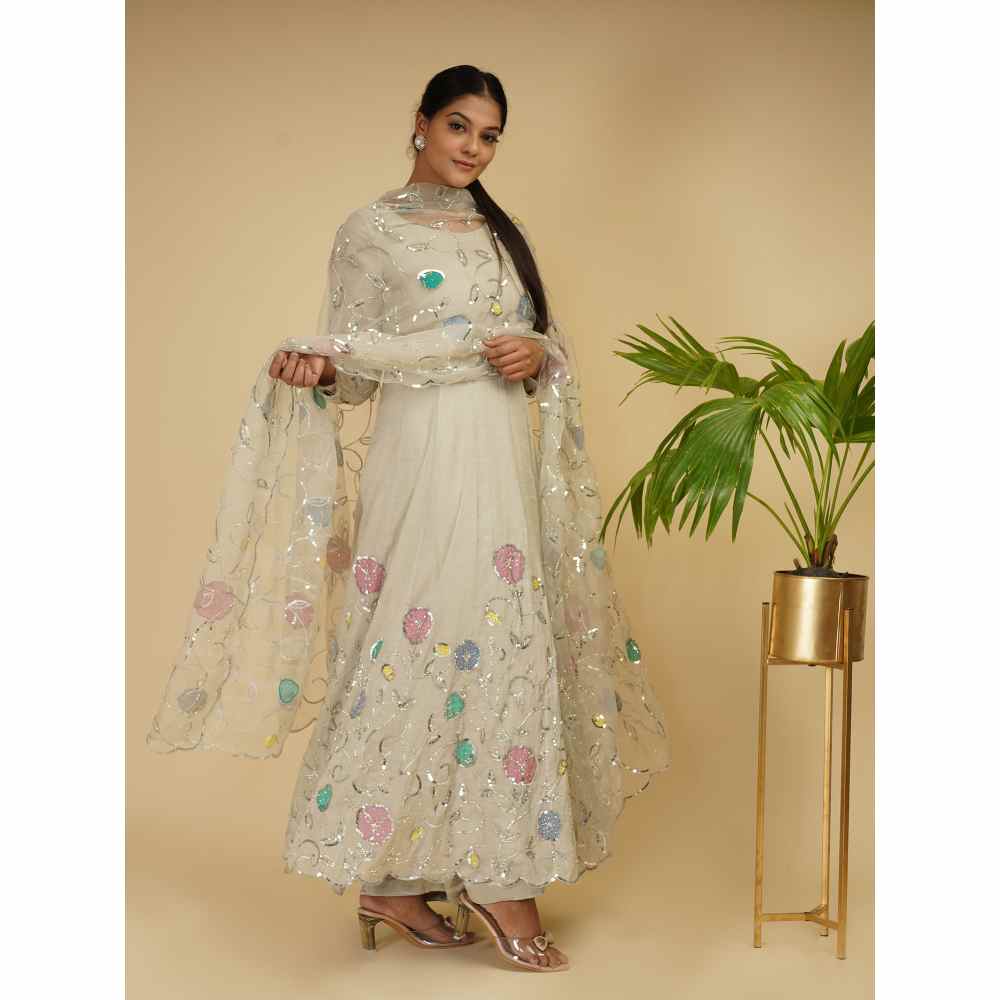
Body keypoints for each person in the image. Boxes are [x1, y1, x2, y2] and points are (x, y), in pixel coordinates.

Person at [147, 65, 671, 974]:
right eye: (460, 125)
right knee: (415, 635)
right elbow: (355, 363)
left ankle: (435, 877)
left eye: (490, 134)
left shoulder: (505, 233)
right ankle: (442, 880)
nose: (474, 147)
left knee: (501, 636)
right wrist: (318, 369)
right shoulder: (369, 231)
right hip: (419, 460)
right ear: (421, 124)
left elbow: (542, 342)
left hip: (501, 461)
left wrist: (537, 353)